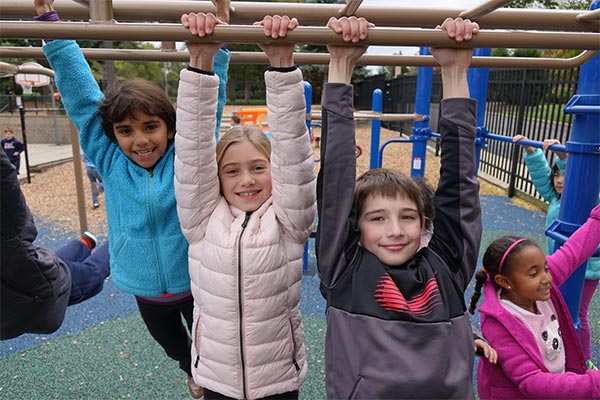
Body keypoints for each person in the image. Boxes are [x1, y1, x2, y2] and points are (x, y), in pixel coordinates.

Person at [33, 0, 230, 397]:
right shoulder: (109, 158)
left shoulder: (186, 156)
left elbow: (205, 109)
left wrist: (218, 45)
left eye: (151, 127)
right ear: (114, 135)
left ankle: (208, 377)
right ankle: (187, 367)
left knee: (211, 350)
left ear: (171, 129)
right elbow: (83, 100)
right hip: (143, 287)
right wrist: (52, 27)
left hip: (195, 283)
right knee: (174, 346)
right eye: (126, 131)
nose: (140, 140)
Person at [316, 16, 481, 399]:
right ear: (356, 226)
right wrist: (340, 65)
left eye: (407, 217)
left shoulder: (447, 266)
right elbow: (337, 180)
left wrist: (455, 71)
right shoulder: (344, 269)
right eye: (377, 218)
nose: (394, 230)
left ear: (424, 223)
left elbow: (461, 189)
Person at [174, 13, 316, 400]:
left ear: (275, 171)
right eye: (232, 171)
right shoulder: (202, 218)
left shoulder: (289, 220)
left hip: (278, 380)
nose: (247, 180)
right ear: (217, 178)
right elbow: (192, 149)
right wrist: (200, 63)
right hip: (217, 378)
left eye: (258, 168)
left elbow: (293, 154)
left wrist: (282, 65)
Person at [469, 203, 600, 399]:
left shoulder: (537, 287)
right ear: (504, 282)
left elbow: (574, 251)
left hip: (555, 376)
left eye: (545, 268)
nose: (547, 278)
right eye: (534, 273)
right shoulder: (499, 323)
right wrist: (593, 383)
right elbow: (532, 382)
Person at [0, 150, 110, 340]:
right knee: (90, 274)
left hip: (22, 283)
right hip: (36, 298)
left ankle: (84, 243)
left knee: (48, 260)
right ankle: (117, 242)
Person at [513, 134, 600, 366]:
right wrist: (533, 153)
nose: (560, 180)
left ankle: (584, 360)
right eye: (557, 175)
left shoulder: (588, 198)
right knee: (558, 311)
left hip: (587, 267)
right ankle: (557, 351)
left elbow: (580, 181)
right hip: (561, 264)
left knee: (577, 315)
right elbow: (542, 178)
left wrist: (564, 159)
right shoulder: (554, 198)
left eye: (564, 175)